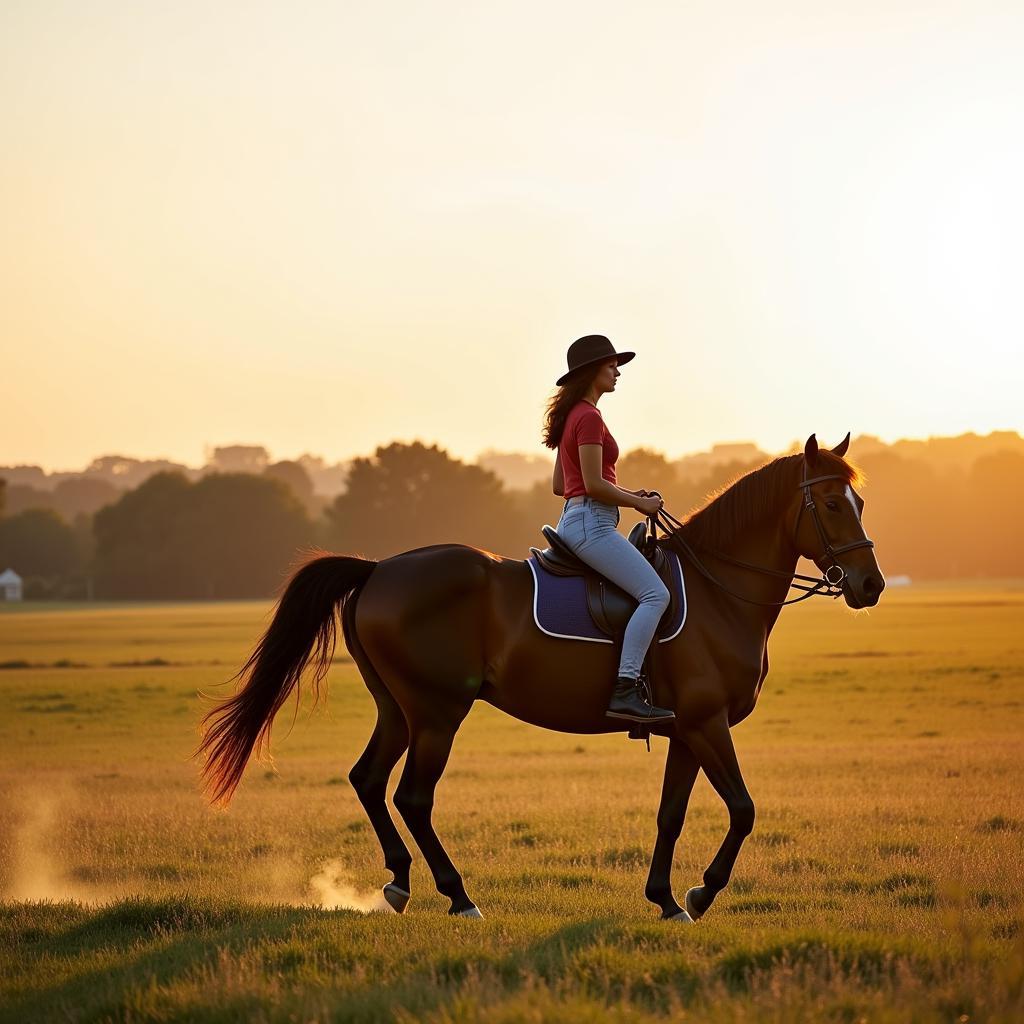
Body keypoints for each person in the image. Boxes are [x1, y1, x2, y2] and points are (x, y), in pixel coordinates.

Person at [542, 334, 676, 725]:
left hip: (578, 518)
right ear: (591, 372)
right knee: (655, 595)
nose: (617, 372)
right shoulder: (588, 417)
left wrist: (627, 493)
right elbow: (593, 485)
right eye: (612, 365)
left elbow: (561, 486)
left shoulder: (574, 418)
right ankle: (626, 689)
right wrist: (640, 503)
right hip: (592, 524)